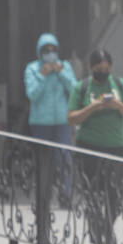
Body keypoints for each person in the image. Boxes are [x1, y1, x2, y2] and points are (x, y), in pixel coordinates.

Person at [68, 49, 123, 244]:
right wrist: (93, 107)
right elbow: (72, 117)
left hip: (115, 146)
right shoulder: (82, 88)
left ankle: (107, 228)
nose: (103, 72)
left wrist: (117, 105)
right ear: (91, 68)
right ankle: (97, 235)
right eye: (99, 69)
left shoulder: (120, 85)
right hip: (89, 146)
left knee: (115, 194)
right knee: (93, 193)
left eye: (107, 69)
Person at [25, 32, 77, 205]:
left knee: (65, 158)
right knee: (43, 161)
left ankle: (66, 194)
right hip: (41, 123)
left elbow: (75, 89)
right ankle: (43, 196)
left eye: (53, 49)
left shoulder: (65, 67)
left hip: (62, 122)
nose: (50, 53)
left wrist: (61, 73)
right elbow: (32, 95)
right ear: (40, 52)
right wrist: (42, 75)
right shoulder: (32, 69)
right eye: (46, 50)